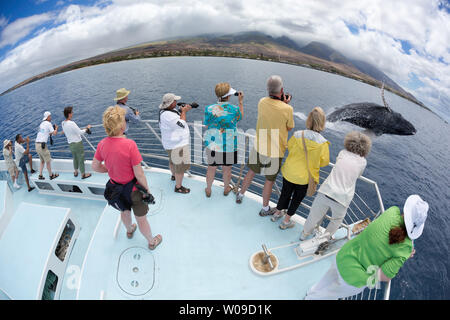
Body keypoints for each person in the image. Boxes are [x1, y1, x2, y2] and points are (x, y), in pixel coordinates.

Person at [304, 194, 429, 300]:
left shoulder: (392, 211)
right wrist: (405, 256)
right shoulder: (405, 249)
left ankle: (310, 293)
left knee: (324, 282)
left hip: (342, 256)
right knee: (327, 295)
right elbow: (385, 276)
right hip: (353, 279)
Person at [92, 105, 162, 250]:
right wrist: (147, 191)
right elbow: (139, 174)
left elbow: (95, 166)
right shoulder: (130, 145)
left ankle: (129, 230)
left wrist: (108, 169)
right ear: (121, 125)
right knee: (141, 219)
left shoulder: (102, 144)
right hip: (134, 190)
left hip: (115, 189)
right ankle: (151, 241)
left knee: (124, 212)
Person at [236, 75, 295, 216]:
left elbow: (272, 111)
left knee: (251, 172)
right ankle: (264, 208)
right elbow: (289, 127)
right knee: (269, 180)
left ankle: (240, 195)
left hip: (259, 146)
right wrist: (286, 104)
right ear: (282, 90)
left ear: (268, 89)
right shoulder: (288, 109)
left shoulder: (262, 102)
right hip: (275, 150)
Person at [300, 131, 371, 240]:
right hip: (342, 198)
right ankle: (324, 239)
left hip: (326, 191)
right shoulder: (363, 162)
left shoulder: (342, 153)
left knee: (313, 216)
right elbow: (358, 174)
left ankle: (304, 234)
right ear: (365, 148)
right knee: (335, 221)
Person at [270, 107, 330, 229]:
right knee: (296, 199)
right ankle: (286, 221)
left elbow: (290, 147)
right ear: (322, 122)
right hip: (305, 178)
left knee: (285, 194)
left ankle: (277, 213)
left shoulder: (298, 135)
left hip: (289, 172)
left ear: (308, 120)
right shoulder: (323, 143)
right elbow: (324, 162)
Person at [204, 83, 244, 197]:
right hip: (229, 145)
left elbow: (207, 125)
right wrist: (240, 102)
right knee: (227, 169)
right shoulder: (234, 109)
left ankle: (208, 189)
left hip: (213, 144)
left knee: (211, 168)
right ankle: (226, 188)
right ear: (228, 95)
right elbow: (240, 117)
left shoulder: (209, 108)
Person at [158, 93, 192, 194]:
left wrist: (181, 111)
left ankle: (173, 176)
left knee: (172, 161)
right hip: (177, 145)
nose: (176, 102)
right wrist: (184, 112)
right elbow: (181, 124)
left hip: (170, 144)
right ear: (171, 103)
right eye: (175, 101)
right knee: (180, 167)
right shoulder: (168, 115)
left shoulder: (164, 112)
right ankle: (178, 187)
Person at [61, 106, 92, 179]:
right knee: (81, 158)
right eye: (72, 112)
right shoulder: (72, 123)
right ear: (69, 114)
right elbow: (80, 132)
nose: (73, 113)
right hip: (77, 144)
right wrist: (87, 128)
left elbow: (68, 131)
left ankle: (75, 171)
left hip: (70, 144)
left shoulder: (63, 123)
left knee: (75, 158)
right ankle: (83, 174)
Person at [35, 111, 59, 180]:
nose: (50, 118)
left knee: (42, 161)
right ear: (48, 117)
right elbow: (54, 133)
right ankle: (51, 175)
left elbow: (44, 133)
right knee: (48, 161)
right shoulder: (48, 124)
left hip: (37, 144)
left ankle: (40, 175)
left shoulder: (41, 124)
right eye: (50, 116)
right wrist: (56, 128)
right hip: (42, 146)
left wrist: (50, 132)